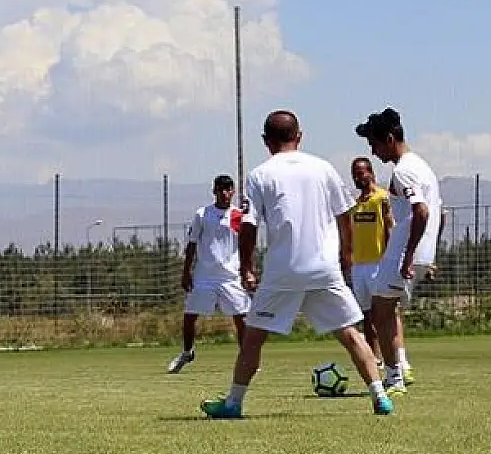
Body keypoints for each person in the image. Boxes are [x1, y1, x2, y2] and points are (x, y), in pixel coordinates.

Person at [200, 111, 393, 418]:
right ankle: (380, 396)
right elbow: (344, 215)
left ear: (266, 141)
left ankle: (233, 403)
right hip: (324, 268)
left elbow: (248, 225)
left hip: (283, 271)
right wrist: (346, 255)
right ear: (299, 136)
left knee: (253, 337)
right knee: (349, 333)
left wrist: (247, 267)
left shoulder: (260, 175)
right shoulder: (323, 168)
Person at [355, 107, 445, 394]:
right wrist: (430, 253)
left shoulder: (404, 171)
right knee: (387, 310)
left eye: (375, 143)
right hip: (418, 254)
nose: (373, 151)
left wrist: (408, 257)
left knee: (379, 313)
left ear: (390, 139)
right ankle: (400, 369)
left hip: (402, 254)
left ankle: (394, 378)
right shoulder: (423, 167)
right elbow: (441, 214)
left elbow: (421, 211)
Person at [167, 174, 250, 373]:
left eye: (228, 189)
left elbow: (246, 245)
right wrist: (186, 272)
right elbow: (192, 244)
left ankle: (247, 358)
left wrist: (248, 270)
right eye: (220, 189)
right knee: (190, 316)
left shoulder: (238, 215)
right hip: (204, 276)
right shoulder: (203, 214)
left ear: (233, 192)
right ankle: (187, 352)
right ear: (214, 191)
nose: (224, 193)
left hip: (230, 276)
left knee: (242, 318)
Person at [347, 156, 394, 364]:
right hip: (359, 266)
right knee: (366, 314)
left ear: (371, 173)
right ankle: (374, 358)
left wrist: (391, 259)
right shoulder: (355, 204)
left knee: (381, 314)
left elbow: (390, 229)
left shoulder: (382, 198)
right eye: (354, 175)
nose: (357, 178)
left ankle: (392, 356)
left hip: (378, 263)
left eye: (361, 173)